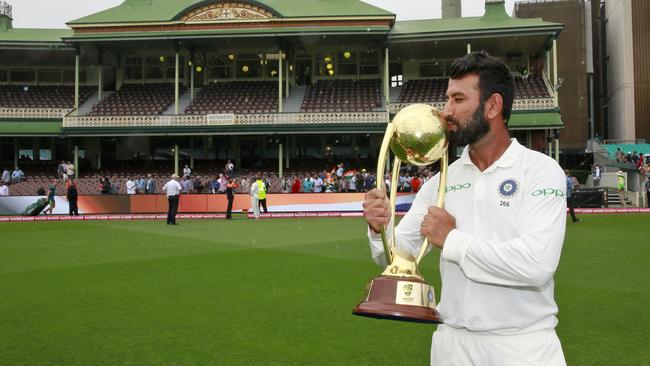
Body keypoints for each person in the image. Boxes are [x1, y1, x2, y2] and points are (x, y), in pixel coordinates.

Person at [363, 51, 567, 366]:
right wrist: (380, 228)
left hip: (523, 345)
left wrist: (453, 239)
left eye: (458, 100)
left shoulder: (540, 170)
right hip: (452, 344)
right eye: (447, 100)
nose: (446, 112)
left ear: (493, 106)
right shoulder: (440, 182)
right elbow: (399, 254)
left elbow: (536, 264)